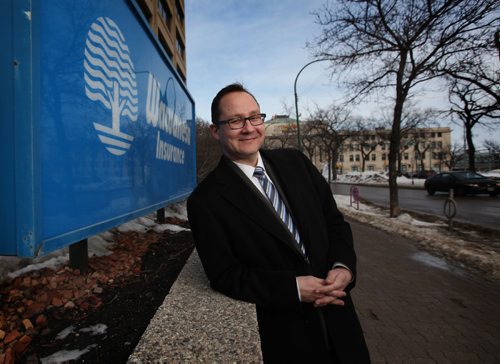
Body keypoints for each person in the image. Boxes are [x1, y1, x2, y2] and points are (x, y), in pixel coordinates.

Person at [187, 83, 370, 363]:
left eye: (254, 117)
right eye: (236, 121)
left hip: (341, 321)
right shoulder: (205, 201)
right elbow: (225, 274)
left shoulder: (296, 163)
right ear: (216, 131)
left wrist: (344, 267)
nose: (249, 128)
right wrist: (293, 288)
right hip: (288, 337)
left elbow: (335, 222)